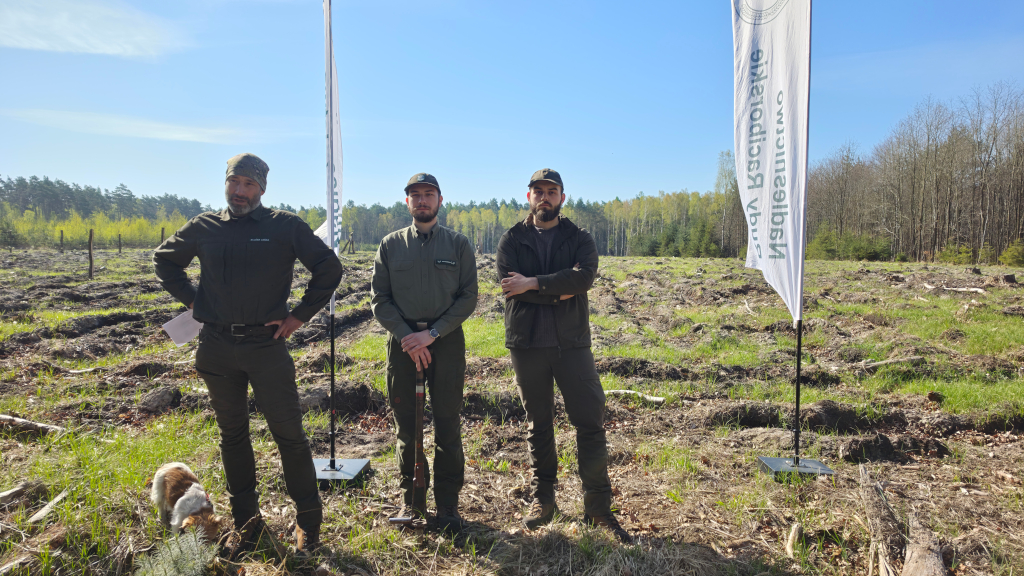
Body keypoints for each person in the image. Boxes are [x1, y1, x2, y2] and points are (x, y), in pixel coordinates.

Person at [153, 153, 342, 555]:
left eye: (249, 184)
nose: (240, 191)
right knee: (232, 435)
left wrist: (298, 316)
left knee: (289, 435)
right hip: (217, 347)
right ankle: (248, 525)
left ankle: (309, 523)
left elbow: (329, 269)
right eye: (234, 182)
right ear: (226, 183)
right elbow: (165, 262)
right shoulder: (204, 226)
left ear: (262, 189)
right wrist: (197, 302)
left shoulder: (284, 226)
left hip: (266, 346)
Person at [496, 168, 632, 544]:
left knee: (589, 422)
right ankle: (545, 503)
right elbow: (511, 288)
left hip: (572, 345)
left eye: (551, 191)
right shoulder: (512, 238)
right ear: (529, 197)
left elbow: (583, 279)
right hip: (527, 346)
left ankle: (599, 510)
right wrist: (559, 287)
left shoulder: (579, 237)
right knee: (538, 424)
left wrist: (534, 283)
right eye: (538, 191)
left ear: (562, 197)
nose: (544, 197)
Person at [370, 173, 478, 533]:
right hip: (403, 345)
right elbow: (379, 300)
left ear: (440, 200)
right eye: (415, 195)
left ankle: (448, 504)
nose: (422, 200)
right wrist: (407, 336)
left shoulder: (458, 245)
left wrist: (431, 334)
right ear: (407, 203)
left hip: (444, 342)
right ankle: (412, 500)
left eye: (428, 194)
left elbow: (468, 298)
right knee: (407, 425)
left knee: (447, 422)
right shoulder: (390, 245)